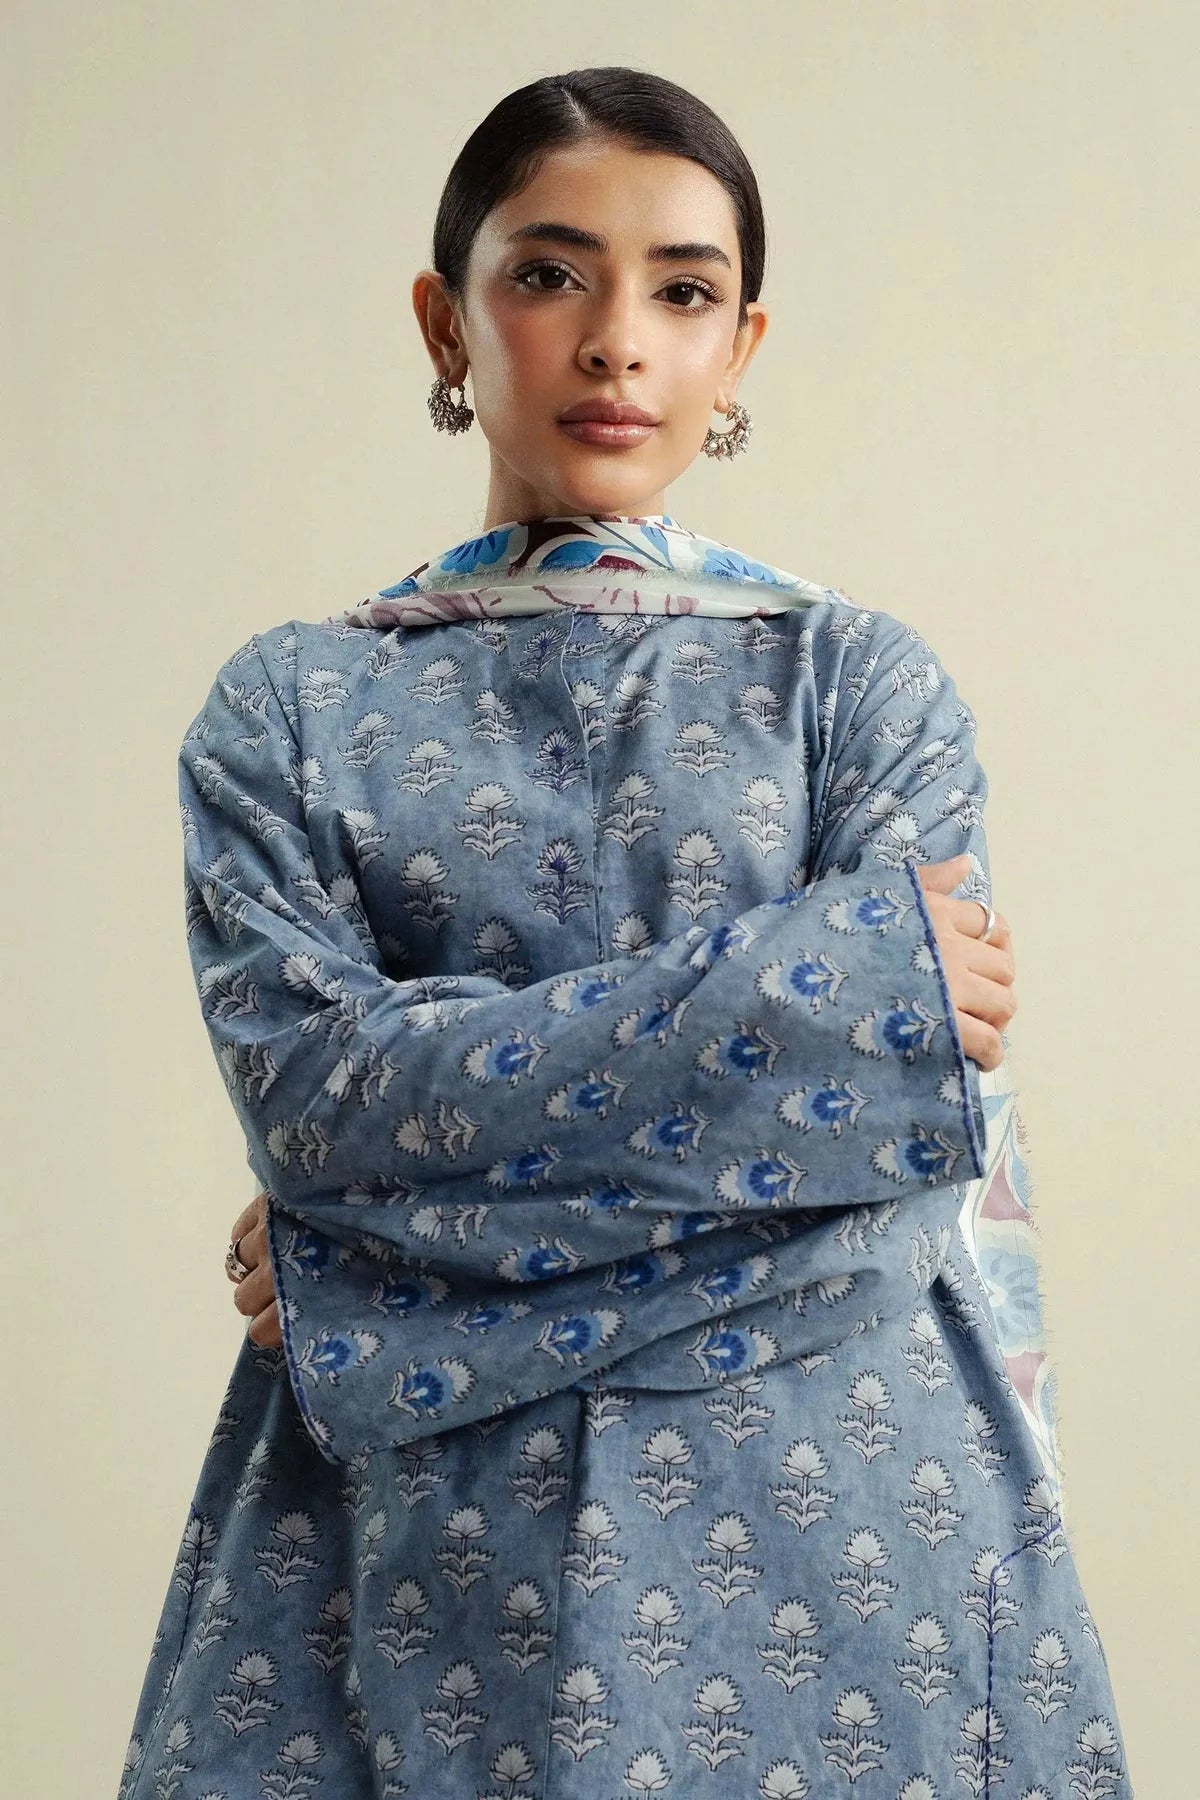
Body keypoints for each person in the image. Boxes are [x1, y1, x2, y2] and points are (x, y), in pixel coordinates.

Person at [117, 66, 1132, 1799]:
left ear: (742, 347)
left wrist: (372, 1266)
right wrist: (810, 1010)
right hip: (416, 1543)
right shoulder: (294, 710)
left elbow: (888, 1189)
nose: (616, 341)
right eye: (549, 274)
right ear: (445, 321)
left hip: (851, 1521)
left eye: (682, 291)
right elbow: (322, 1105)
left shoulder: (852, 686)